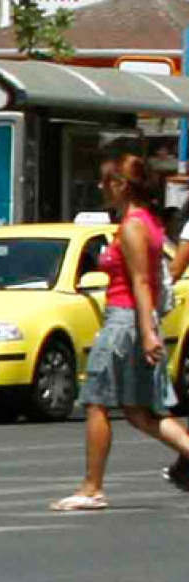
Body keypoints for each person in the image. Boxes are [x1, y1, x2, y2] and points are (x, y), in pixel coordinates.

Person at [52, 154, 189, 511]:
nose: (102, 187)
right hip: (134, 320)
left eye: (106, 181)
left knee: (96, 399)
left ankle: (92, 487)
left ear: (121, 185)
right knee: (140, 411)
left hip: (124, 321)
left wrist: (146, 331)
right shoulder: (149, 223)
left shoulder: (132, 226)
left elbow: (142, 282)